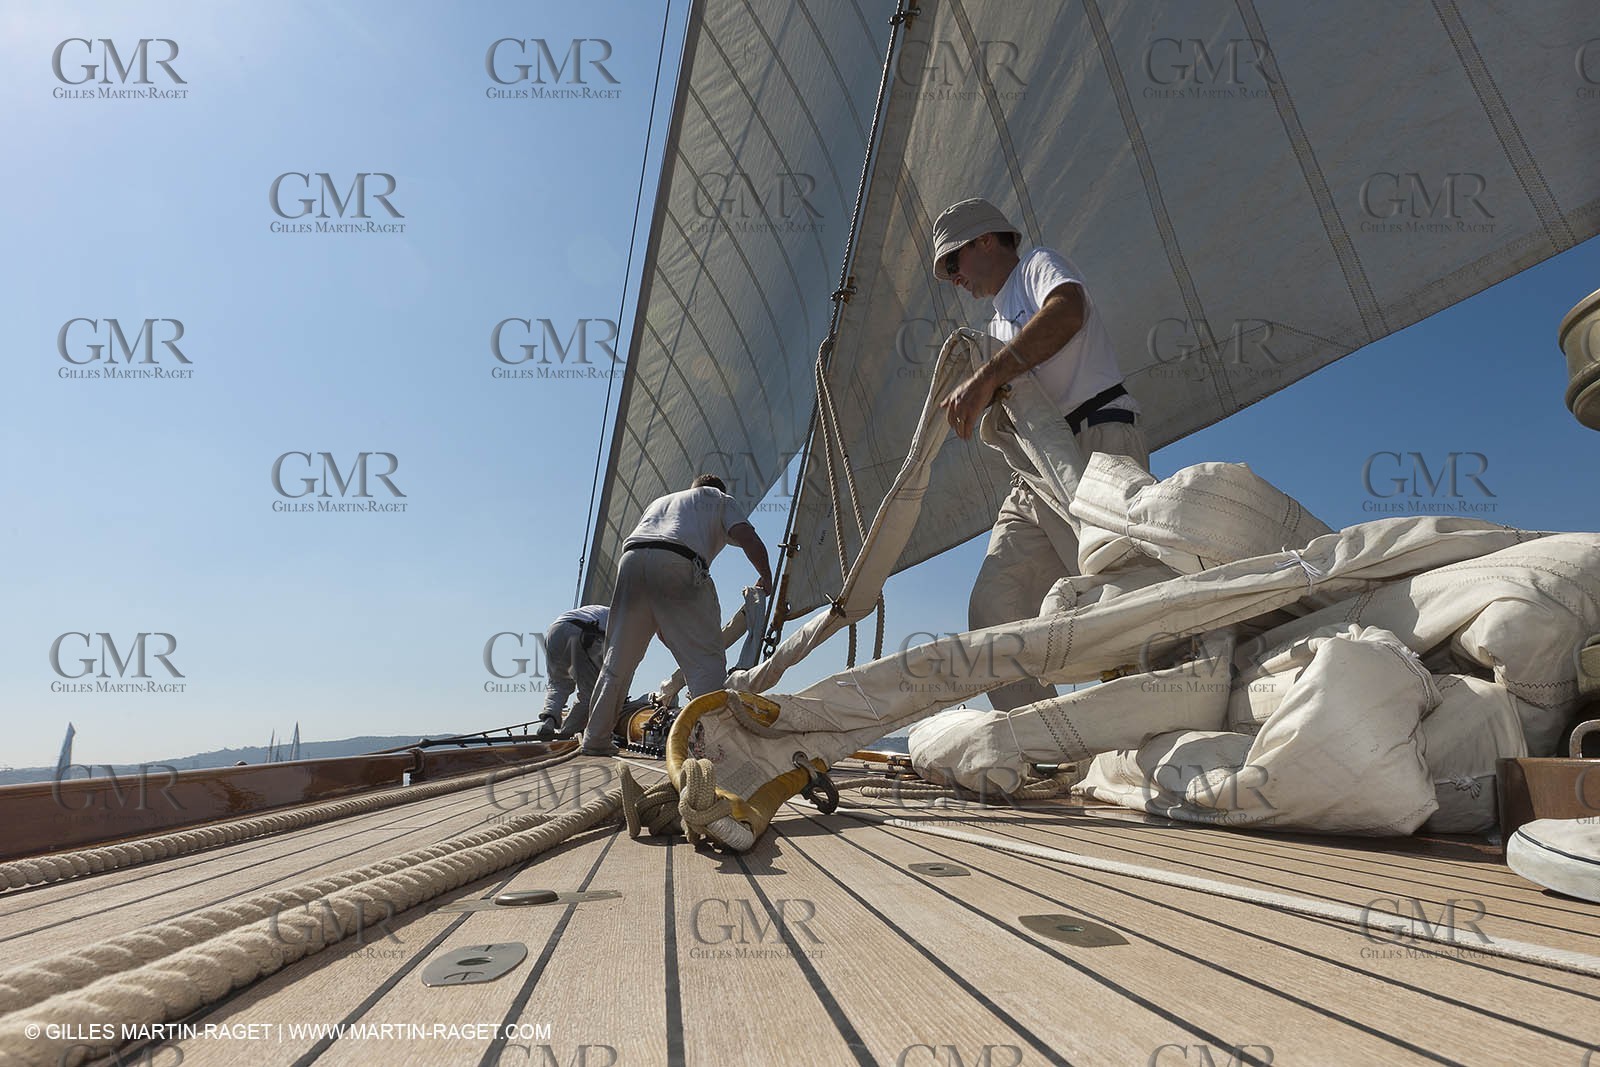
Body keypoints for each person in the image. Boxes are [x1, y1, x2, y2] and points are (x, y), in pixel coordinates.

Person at [932, 197, 1151, 711]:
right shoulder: (992, 332)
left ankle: (1150, 719)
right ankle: (1043, 745)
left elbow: (1068, 311)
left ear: (986, 240)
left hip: (1098, 442)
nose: (952, 278)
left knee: (1123, 591)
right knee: (994, 606)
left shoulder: (1037, 268)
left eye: (954, 262)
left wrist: (985, 378)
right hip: (1034, 476)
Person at [578, 475, 772, 756]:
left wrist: (663, 625)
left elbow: (654, 576)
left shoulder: (661, 502)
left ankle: (595, 738)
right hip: (678, 561)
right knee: (706, 661)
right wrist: (765, 576)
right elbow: (747, 537)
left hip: (631, 560)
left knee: (617, 660)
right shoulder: (718, 499)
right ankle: (713, 746)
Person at [533, 604, 609, 741]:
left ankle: (549, 719)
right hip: (584, 632)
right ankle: (566, 733)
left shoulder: (596, 609)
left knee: (558, 683)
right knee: (591, 694)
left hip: (555, 630)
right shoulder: (622, 619)